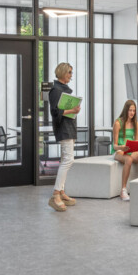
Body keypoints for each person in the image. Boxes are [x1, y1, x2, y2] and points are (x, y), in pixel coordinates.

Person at [47, 63, 81, 212]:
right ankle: (55, 194)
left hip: (70, 127)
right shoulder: (55, 90)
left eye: (71, 73)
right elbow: (55, 113)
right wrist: (72, 110)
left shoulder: (64, 89)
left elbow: (64, 110)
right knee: (69, 159)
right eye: (69, 72)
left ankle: (61, 192)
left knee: (65, 159)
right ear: (62, 72)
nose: (71, 75)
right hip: (63, 128)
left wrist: (74, 111)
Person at [112, 100, 138, 201]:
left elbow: (136, 141)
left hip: (131, 150)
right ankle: (123, 190)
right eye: (130, 110)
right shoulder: (118, 123)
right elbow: (114, 145)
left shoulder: (137, 124)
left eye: (134, 111)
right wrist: (121, 147)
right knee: (129, 160)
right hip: (119, 151)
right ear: (125, 110)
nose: (132, 113)